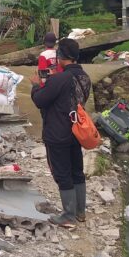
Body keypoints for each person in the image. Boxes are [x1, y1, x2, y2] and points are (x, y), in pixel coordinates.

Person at [30, 37, 92, 227]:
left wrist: (35, 85)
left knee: (62, 173)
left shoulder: (59, 79)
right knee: (77, 172)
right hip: (76, 131)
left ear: (60, 56)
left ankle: (68, 216)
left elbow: (40, 100)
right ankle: (80, 212)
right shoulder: (84, 77)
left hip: (58, 133)